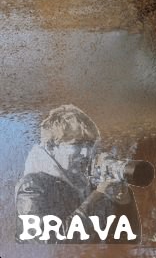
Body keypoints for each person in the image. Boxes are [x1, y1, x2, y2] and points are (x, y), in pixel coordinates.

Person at [15, 104, 140, 243]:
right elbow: (50, 242)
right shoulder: (32, 186)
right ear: (51, 147)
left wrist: (124, 205)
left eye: (89, 145)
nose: (86, 153)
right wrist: (97, 197)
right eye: (77, 144)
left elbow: (128, 243)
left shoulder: (91, 183)